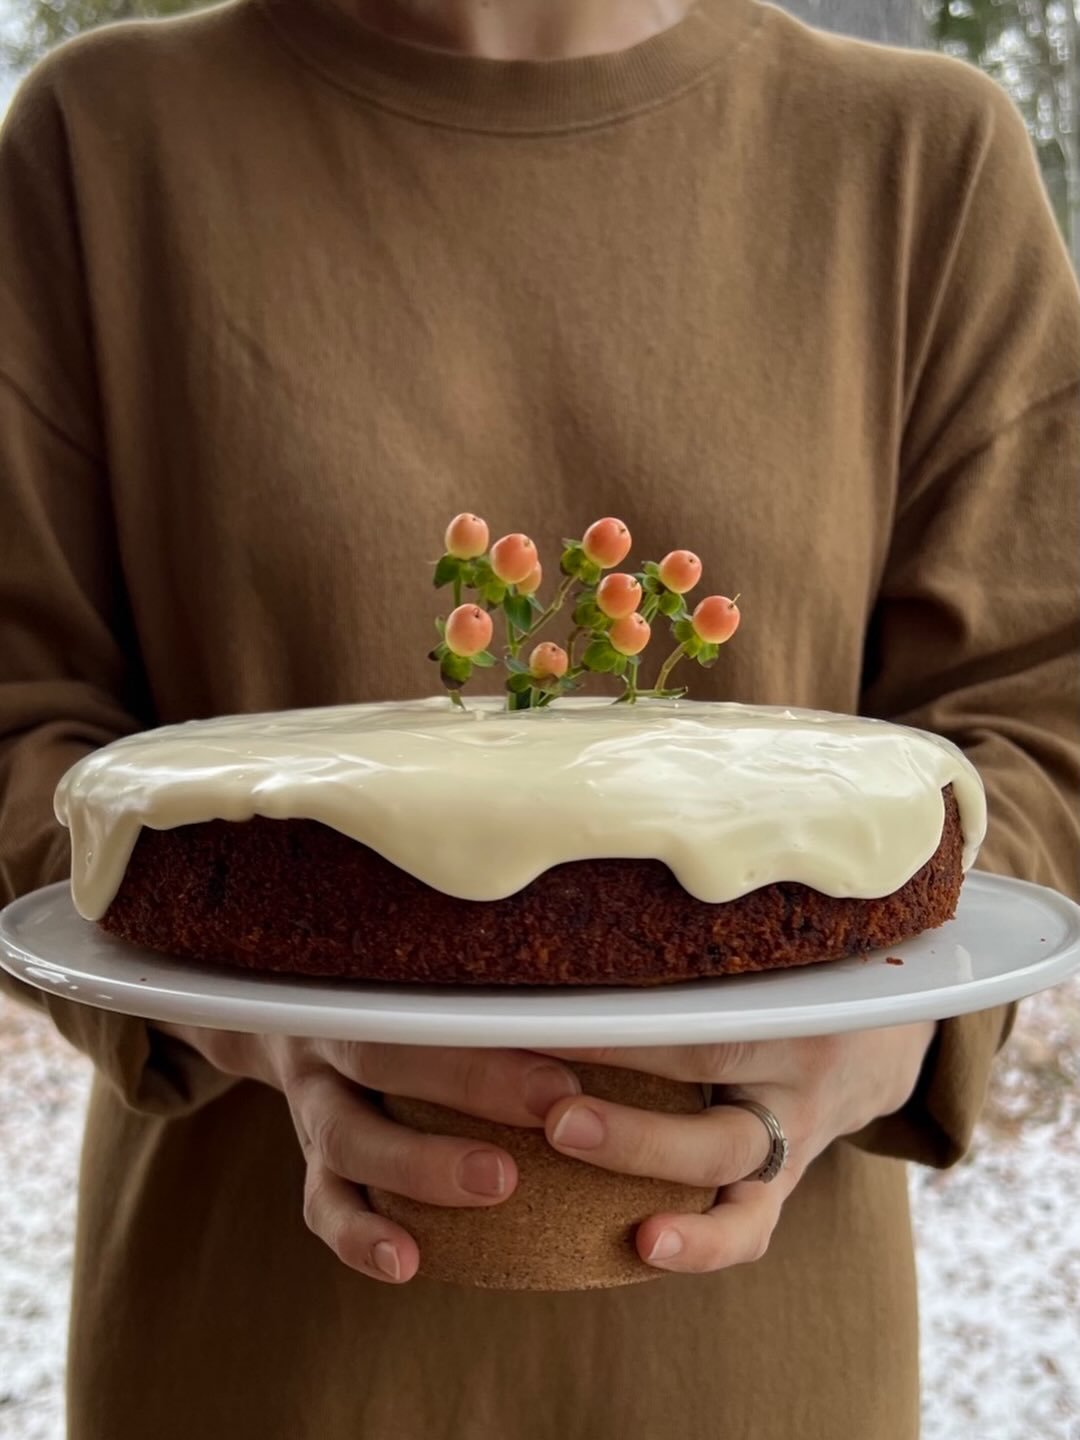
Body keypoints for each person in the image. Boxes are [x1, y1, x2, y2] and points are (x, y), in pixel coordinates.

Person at [1, 0, 1077, 1435]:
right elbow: (21, 707)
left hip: (757, 1368)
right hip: (251, 1357)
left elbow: (1040, 696)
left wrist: (882, 1042)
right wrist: (259, 1027)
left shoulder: (920, 161)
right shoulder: (101, 143)